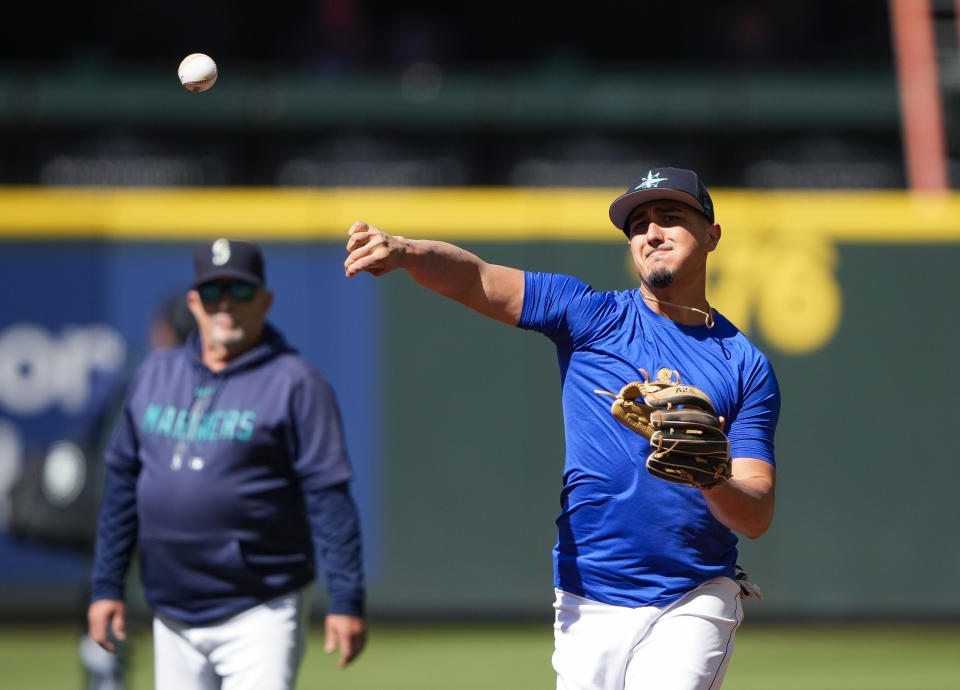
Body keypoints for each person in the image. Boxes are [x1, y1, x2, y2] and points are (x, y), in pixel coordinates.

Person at [343, 167, 780, 690]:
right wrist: (407, 252)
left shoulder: (743, 365)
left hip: (692, 592)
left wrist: (711, 477)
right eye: (638, 224)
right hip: (587, 590)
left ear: (711, 235)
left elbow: (755, 513)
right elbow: (475, 279)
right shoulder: (591, 316)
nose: (651, 233)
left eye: (670, 218)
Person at [88, 238, 367, 690]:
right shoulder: (155, 374)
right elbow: (122, 486)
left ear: (265, 300)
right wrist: (106, 587)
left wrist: (346, 599)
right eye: (213, 292)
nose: (225, 305)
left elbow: (328, 498)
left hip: (261, 605)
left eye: (239, 291)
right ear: (194, 302)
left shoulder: (295, 383)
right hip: (171, 606)